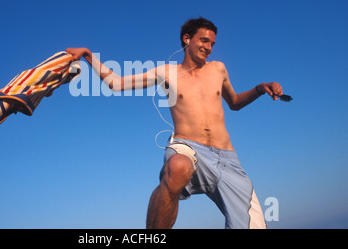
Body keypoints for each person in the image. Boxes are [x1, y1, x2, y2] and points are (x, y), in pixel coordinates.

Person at [66, 17, 284, 229]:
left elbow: (234, 102)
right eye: (204, 40)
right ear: (187, 39)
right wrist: (87, 54)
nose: (209, 47)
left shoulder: (218, 69)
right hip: (188, 148)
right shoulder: (166, 73)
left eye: (212, 43)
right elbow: (115, 83)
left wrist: (259, 88)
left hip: (227, 157)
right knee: (179, 166)